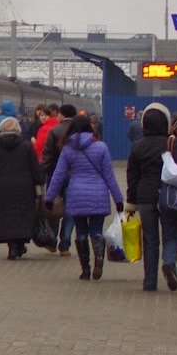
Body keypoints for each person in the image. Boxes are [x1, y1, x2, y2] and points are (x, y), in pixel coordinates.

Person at [44, 113, 123, 280]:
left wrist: (50, 197)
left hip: (76, 194)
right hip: (98, 194)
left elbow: (58, 174)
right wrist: (118, 199)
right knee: (96, 231)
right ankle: (99, 260)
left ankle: (85, 269)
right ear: (90, 127)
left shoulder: (67, 148)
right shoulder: (101, 147)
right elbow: (109, 175)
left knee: (80, 233)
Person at [124, 102, 177, 291]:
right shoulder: (172, 142)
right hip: (169, 195)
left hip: (145, 197)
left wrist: (131, 200)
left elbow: (132, 176)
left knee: (150, 239)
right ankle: (168, 262)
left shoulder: (138, 146)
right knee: (170, 235)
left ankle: (149, 282)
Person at [0, 110, 42, 259]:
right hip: (25, 188)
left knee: (5, 216)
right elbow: (35, 168)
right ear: (18, 129)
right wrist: (40, 186)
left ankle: (11, 246)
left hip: (1, 188)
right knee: (23, 216)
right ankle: (20, 244)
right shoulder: (26, 147)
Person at [37, 109, 76, 258]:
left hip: (55, 174)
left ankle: (52, 241)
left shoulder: (54, 131)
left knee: (53, 206)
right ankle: (65, 245)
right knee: (70, 210)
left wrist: (43, 172)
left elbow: (48, 154)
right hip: (75, 175)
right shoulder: (81, 132)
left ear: (61, 114)